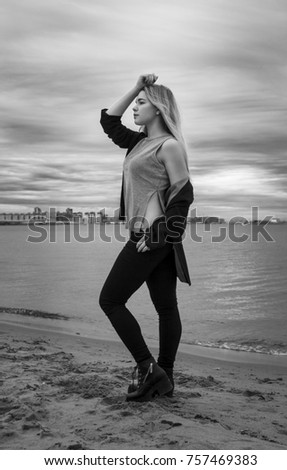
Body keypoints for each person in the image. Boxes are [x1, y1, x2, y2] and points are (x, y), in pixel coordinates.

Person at [99, 74, 194, 402]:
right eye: (136, 103)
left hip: (150, 237)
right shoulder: (138, 142)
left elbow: (183, 195)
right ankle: (164, 377)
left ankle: (149, 368)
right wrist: (138, 88)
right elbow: (109, 120)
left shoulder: (168, 145)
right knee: (166, 307)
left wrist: (158, 237)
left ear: (159, 108)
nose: (135, 108)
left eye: (142, 103)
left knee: (110, 300)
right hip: (149, 237)